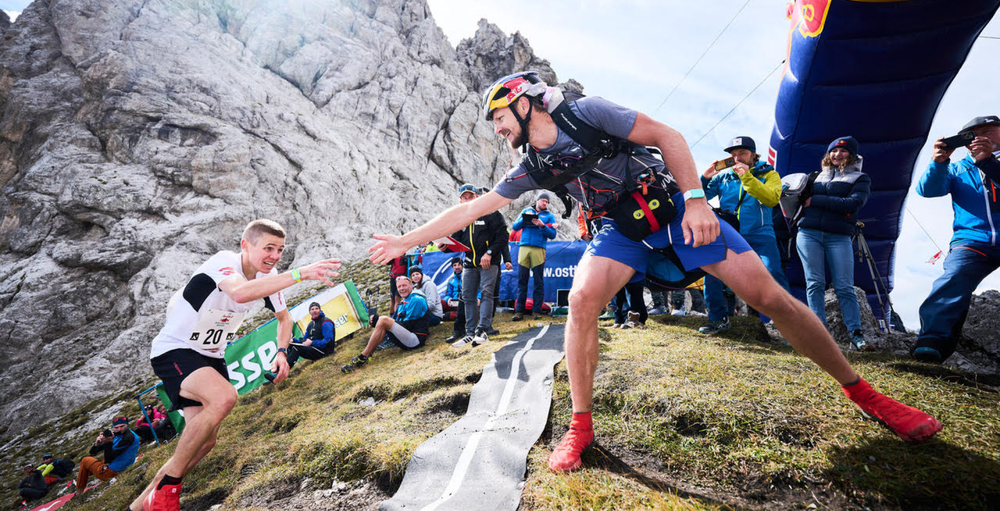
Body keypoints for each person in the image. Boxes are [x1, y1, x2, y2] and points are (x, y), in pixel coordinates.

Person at [369, 71, 941, 473]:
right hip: (619, 232)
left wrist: (697, 201)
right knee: (582, 301)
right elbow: (471, 210)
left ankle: (869, 397)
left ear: (524, 102)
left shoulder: (586, 112)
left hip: (671, 209)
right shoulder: (532, 165)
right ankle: (581, 427)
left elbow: (668, 136)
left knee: (771, 297)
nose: (496, 128)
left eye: (498, 116)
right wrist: (404, 239)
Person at [133, 219, 341, 511]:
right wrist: (301, 273)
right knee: (225, 397)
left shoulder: (271, 277)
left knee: (203, 442)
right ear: (246, 245)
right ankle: (167, 491)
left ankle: (140, 505)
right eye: (269, 248)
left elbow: (286, 319)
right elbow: (241, 293)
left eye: (280, 250)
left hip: (211, 355)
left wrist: (282, 351)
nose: (275, 256)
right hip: (175, 349)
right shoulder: (224, 262)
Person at [913, 115, 1000, 363]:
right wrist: (938, 162)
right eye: (974, 133)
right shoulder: (957, 167)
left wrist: (989, 163)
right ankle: (932, 341)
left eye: (990, 131)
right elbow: (927, 191)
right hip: (972, 240)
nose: (982, 136)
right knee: (953, 276)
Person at [699, 136, 790, 338]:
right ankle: (717, 319)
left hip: (761, 235)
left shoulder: (770, 174)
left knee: (773, 273)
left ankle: (789, 326)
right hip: (730, 234)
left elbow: (771, 198)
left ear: (753, 155)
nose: (737, 158)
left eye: (742, 153)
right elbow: (696, 196)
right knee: (711, 270)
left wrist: (747, 177)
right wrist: (705, 178)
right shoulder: (723, 177)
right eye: (733, 155)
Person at [795, 136, 874, 352]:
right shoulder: (813, 177)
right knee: (814, 283)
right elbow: (797, 201)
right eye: (833, 151)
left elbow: (853, 204)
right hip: (808, 233)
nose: (837, 155)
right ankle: (819, 334)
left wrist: (816, 201)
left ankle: (856, 335)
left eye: (843, 151)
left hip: (838, 236)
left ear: (852, 154)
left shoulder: (860, 178)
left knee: (844, 287)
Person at [448, 184, 512, 347]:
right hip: (469, 263)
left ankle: (482, 330)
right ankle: (470, 332)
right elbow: (457, 239)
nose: (468, 199)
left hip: (489, 262)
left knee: (486, 293)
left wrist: (489, 253)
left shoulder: (491, 213)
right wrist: (446, 246)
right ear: (460, 200)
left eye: (471, 196)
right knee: (467, 296)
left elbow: (504, 236)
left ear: (477, 197)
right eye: (465, 197)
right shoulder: (461, 217)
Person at [341, 275, 430, 372]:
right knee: (382, 321)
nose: (402, 289)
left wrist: (382, 321)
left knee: (384, 320)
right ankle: (367, 354)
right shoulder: (404, 302)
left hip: (415, 341)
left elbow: (407, 326)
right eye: (399, 287)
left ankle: (363, 357)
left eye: (404, 285)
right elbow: (395, 323)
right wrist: (376, 322)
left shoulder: (416, 300)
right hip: (407, 339)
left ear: (411, 285)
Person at [511, 192, 558, 320]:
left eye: (547, 202)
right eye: (543, 200)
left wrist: (542, 225)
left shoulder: (549, 216)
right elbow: (515, 227)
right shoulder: (526, 211)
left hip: (539, 249)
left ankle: (536, 310)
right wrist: (525, 218)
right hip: (524, 248)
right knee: (522, 280)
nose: (545, 203)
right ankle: (519, 311)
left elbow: (553, 234)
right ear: (537, 200)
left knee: (538, 280)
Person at [263, 302, 338, 382]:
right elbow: (304, 341)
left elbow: (328, 341)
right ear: (310, 312)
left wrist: (312, 343)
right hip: (314, 349)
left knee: (296, 348)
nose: (314, 311)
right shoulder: (311, 324)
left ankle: (280, 374)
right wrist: (292, 341)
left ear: (320, 310)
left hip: (325, 352)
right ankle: (276, 371)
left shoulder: (326, 322)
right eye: (312, 309)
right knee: (291, 345)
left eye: (316, 308)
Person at [75, 416, 139, 498]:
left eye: (122, 426)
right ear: (113, 427)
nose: (119, 429)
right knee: (90, 463)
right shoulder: (119, 435)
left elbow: (109, 459)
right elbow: (92, 452)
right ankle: (88, 475)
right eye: (116, 427)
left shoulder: (128, 438)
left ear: (127, 425)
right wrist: (97, 444)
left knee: (84, 461)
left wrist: (108, 442)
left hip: (114, 472)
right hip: (119, 467)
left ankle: (78, 493)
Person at [442, 257, 467, 343]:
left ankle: (458, 330)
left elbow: (478, 290)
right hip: (454, 303)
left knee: (458, 312)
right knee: (440, 302)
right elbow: (447, 294)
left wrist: (478, 298)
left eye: (459, 264)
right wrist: (448, 299)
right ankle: (440, 316)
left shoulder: (468, 276)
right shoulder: (451, 279)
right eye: (454, 265)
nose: (457, 267)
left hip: (465, 302)